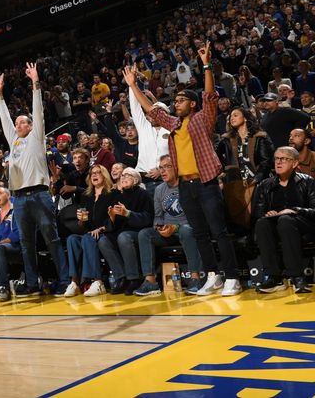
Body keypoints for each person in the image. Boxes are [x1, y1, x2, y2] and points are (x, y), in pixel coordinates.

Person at [124, 41, 241, 297]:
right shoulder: (174, 124)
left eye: (181, 100)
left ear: (192, 104)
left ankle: (233, 276)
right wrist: (133, 86)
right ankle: (213, 276)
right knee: (199, 233)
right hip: (185, 185)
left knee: (218, 231)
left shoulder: (202, 118)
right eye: (175, 100)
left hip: (205, 182)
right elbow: (151, 111)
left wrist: (206, 64)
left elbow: (210, 96)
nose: (176, 102)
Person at [0, 62, 67, 297]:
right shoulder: (13, 141)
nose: (17, 125)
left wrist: (35, 83)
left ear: (31, 125)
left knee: (52, 238)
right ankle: (32, 283)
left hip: (39, 194)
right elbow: (4, 118)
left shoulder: (37, 136)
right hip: (19, 199)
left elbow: (38, 111)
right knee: (27, 244)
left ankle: (65, 280)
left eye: (21, 122)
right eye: (16, 124)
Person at [134, 156, 204, 296]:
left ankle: (196, 278)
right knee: (144, 234)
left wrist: (176, 227)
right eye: (161, 168)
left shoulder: (188, 186)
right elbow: (158, 216)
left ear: (177, 167)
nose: (163, 171)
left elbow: (197, 215)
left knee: (185, 230)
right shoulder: (159, 189)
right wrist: (159, 228)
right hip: (168, 232)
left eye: (167, 166)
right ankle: (150, 282)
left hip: (186, 229)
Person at [253, 146, 315, 294]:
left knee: (286, 220)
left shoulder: (308, 181)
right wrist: (267, 213)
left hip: (303, 223)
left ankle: (297, 277)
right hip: (278, 223)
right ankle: (274, 278)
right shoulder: (265, 185)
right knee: (262, 223)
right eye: (276, 159)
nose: (278, 162)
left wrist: (296, 210)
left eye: (284, 159)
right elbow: (257, 213)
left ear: (294, 163)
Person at [64, 165, 118, 297]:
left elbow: (116, 218)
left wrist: (101, 228)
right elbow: (84, 226)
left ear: (104, 175)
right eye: (92, 173)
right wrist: (81, 221)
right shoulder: (86, 196)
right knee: (72, 239)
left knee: (88, 238)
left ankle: (97, 281)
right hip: (90, 233)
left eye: (98, 172)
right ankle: (74, 283)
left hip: (107, 232)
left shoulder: (112, 194)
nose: (94, 175)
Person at [217, 107, 274, 230]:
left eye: (236, 115)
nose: (232, 118)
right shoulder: (226, 139)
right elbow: (215, 157)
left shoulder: (260, 137)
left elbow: (266, 161)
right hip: (234, 183)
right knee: (237, 220)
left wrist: (257, 178)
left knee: (256, 217)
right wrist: (223, 171)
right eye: (231, 116)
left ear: (246, 118)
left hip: (256, 182)